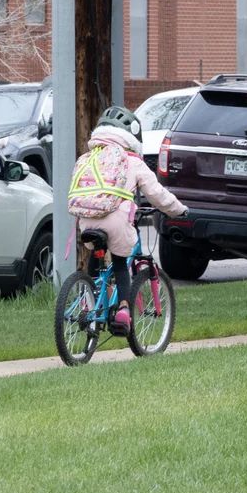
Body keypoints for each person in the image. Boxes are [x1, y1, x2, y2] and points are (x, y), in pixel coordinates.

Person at [68, 107, 189, 332]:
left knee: (97, 255)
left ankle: (89, 303)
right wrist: (179, 210)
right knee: (121, 265)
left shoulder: (88, 157)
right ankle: (123, 310)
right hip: (116, 223)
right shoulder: (131, 159)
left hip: (86, 220)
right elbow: (156, 194)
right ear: (131, 137)